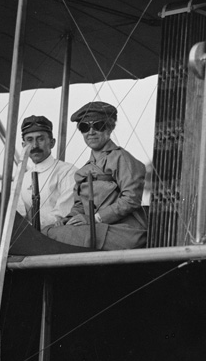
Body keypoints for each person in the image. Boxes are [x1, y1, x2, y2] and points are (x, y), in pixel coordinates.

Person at [47, 101, 147, 250]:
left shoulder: (122, 159)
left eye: (98, 126)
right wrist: (67, 220)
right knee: (49, 231)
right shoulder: (84, 170)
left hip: (123, 231)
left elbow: (131, 199)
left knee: (52, 237)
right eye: (85, 127)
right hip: (97, 229)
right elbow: (80, 205)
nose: (91, 132)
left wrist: (94, 219)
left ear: (110, 128)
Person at [16, 115, 77, 231]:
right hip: (28, 239)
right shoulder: (22, 179)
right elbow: (19, 214)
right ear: (23, 146)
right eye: (29, 140)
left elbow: (61, 215)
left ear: (52, 143)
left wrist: (27, 229)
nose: (34, 146)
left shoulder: (67, 172)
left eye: (40, 139)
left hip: (58, 238)